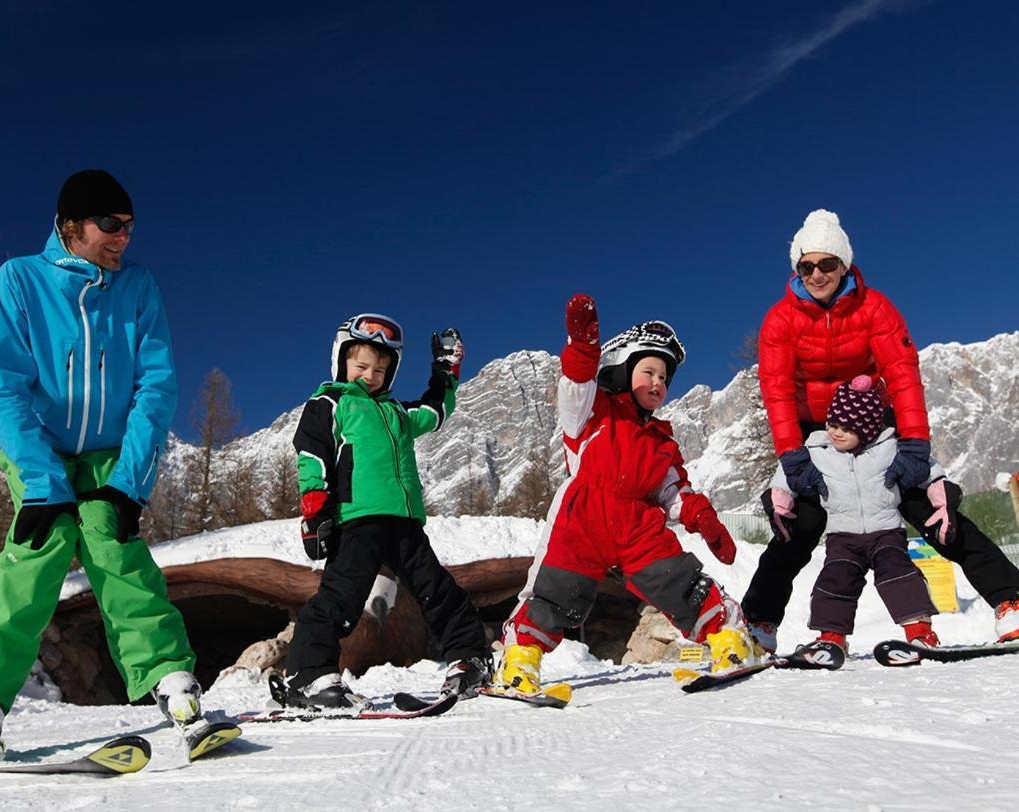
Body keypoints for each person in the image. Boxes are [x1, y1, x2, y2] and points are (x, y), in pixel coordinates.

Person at [0, 170, 201, 761]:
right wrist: (44, 484)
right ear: (71, 226)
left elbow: (156, 386)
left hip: (108, 455)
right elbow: (8, 388)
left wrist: (128, 482)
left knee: (114, 545)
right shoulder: (20, 279)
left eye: (130, 226)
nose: (124, 237)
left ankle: (169, 676)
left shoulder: (138, 288)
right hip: (39, 446)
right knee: (39, 550)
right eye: (111, 225)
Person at [744, 209, 1019, 652]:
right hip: (816, 429)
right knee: (798, 524)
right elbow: (776, 390)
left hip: (874, 422)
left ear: (845, 264)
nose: (817, 274)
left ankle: (1011, 600)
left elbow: (903, 374)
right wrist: (792, 456)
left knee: (927, 507)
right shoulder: (781, 320)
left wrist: (912, 444)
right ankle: (759, 622)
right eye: (807, 266)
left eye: (827, 264)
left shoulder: (876, 308)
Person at [496, 294, 758, 696]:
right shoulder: (591, 413)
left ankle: (729, 641)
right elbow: (577, 381)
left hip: (638, 523)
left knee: (679, 581)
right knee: (554, 591)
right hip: (583, 518)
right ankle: (520, 663)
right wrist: (583, 347)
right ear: (620, 368)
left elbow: (674, 491)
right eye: (649, 371)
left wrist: (702, 517)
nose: (658, 383)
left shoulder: (661, 441)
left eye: (665, 378)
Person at [281, 313, 491, 710]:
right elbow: (312, 455)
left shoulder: (397, 413)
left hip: (404, 521)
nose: (370, 375)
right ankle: (307, 676)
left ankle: (469, 658)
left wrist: (445, 374)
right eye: (361, 365)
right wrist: (314, 509)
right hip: (355, 519)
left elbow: (434, 412)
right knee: (341, 598)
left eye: (380, 368)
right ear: (342, 361)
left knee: (438, 589)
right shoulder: (331, 403)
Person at [768, 375, 952, 658]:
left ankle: (920, 633)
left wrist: (943, 497)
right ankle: (831, 638)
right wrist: (779, 501)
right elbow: (787, 474)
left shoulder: (888, 447)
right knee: (835, 579)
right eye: (832, 423)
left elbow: (926, 467)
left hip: (886, 531)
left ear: (865, 430)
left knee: (898, 573)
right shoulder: (818, 450)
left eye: (846, 428)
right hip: (842, 535)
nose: (835, 432)